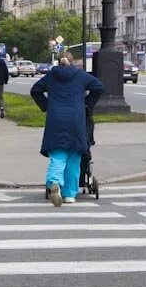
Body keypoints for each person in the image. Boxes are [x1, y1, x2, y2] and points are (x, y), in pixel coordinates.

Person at [29, 52, 104, 207]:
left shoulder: (51, 76)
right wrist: (86, 104)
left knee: (57, 156)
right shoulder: (80, 75)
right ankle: (70, 194)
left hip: (55, 119)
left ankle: (55, 182)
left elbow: (35, 90)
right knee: (74, 159)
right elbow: (99, 87)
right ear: (72, 62)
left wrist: (46, 105)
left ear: (58, 62)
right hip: (76, 119)